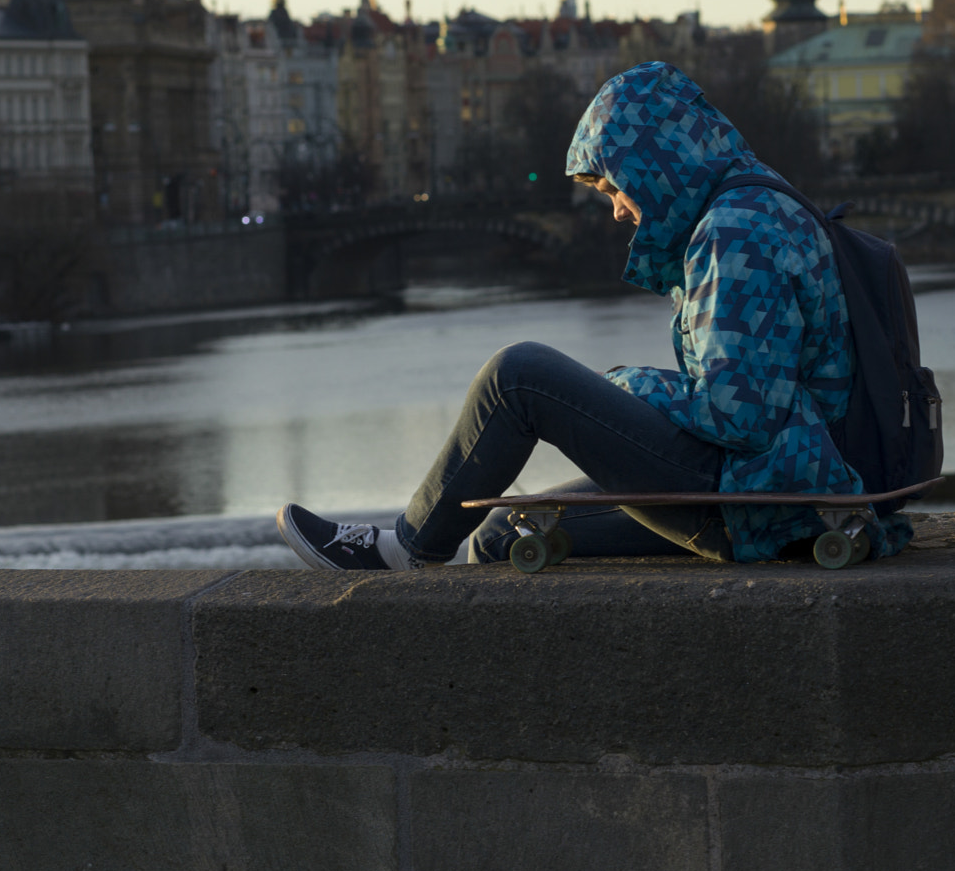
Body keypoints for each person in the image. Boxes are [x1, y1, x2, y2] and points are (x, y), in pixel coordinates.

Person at [278, 59, 901, 570]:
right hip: (793, 481)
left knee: (519, 376)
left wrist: (626, 386)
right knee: (502, 533)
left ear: (657, 166)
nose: (616, 212)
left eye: (612, 188)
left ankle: (404, 551)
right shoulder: (757, 201)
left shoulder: (732, 231)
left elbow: (741, 416)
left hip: (764, 493)